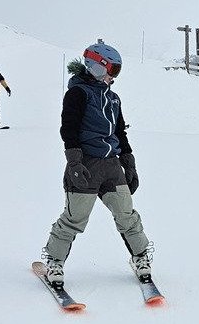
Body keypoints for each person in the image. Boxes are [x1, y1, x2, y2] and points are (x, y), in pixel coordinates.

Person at [41, 41, 153, 285]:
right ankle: (54, 262)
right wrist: (73, 162)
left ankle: (140, 257)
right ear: (97, 67)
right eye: (112, 70)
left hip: (112, 167)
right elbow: (68, 128)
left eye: (117, 71)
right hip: (86, 165)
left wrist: (128, 162)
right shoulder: (77, 93)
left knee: (127, 214)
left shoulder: (113, 99)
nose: (114, 76)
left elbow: (120, 132)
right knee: (74, 218)